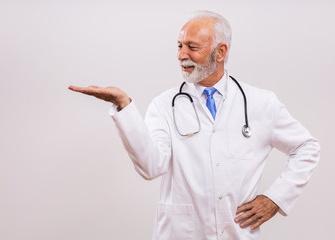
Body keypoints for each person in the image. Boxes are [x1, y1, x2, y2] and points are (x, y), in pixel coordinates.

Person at [68, 10, 320, 240]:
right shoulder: (165, 105)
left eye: (192, 47)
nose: (181, 55)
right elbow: (150, 166)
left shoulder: (261, 103)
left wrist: (275, 198)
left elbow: (307, 147)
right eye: (179, 46)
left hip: (238, 233)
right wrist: (123, 104)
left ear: (220, 52)